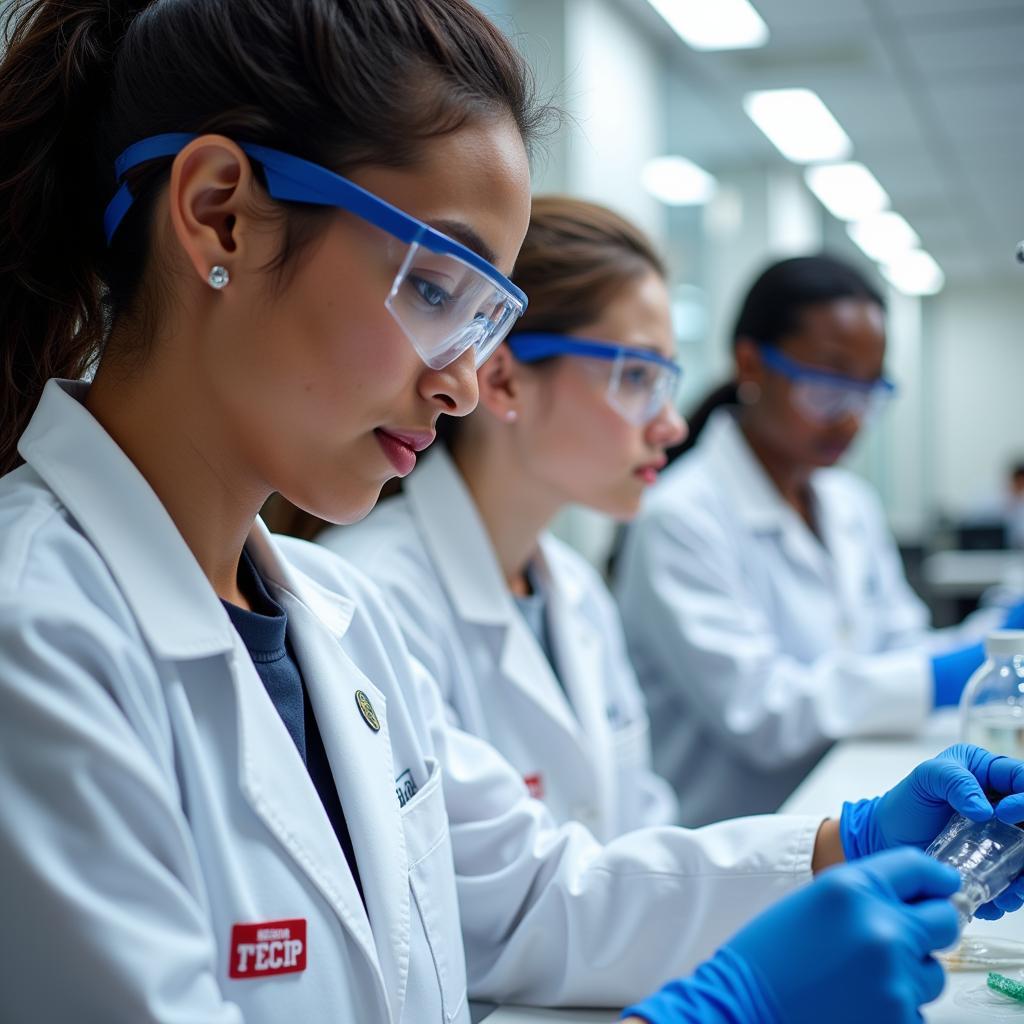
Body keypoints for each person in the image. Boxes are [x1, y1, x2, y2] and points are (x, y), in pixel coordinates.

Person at [2, 3, 1024, 1022]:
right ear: (221, 211)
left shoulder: (335, 613)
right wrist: (718, 1012)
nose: (458, 383)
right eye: (434, 287)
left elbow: (534, 895)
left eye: (484, 316)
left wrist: (851, 840)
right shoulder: (34, 639)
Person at [317, 197, 683, 838]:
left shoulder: (577, 593)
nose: (671, 424)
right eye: (637, 377)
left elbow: (643, 829)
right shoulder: (376, 595)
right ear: (505, 382)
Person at [615, 254, 1021, 827]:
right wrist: (945, 675)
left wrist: (993, 642)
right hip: (733, 840)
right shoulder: (679, 516)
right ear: (751, 364)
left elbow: (902, 645)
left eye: (867, 393)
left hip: (855, 801)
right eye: (829, 388)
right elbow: (762, 714)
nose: (851, 420)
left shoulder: (849, 503)